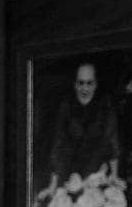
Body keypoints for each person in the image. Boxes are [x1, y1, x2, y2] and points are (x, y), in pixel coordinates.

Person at [43, 60, 120, 196]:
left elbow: (112, 139)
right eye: (81, 83)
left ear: (95, 84)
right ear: (75, 85)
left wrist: (114, 174)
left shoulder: (105, 104)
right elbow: (58, 144)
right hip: (71, 174)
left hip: (98, 174)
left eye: (89, 83)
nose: (85, 88)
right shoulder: (66, 106)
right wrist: (53, 185)